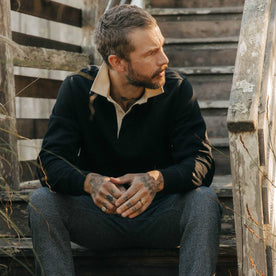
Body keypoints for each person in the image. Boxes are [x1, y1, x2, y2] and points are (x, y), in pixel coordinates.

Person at [28, 4, 221, 276]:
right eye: (152, 53)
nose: (164, 59)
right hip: (99, 218)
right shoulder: (77, 88)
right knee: (42, 201)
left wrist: (157, 180)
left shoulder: (177, 89)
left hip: (160, 217)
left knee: (205, 201)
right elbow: (49, 163)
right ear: (117, 62)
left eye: (162, 47)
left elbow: (202, 163)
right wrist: (89, 182)